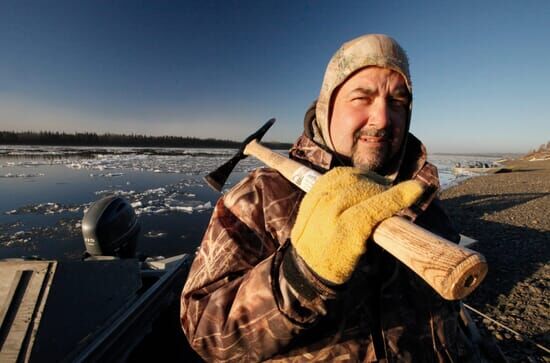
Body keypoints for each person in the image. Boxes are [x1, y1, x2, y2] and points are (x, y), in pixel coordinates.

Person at [181, 34, 493, 362]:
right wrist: (300, 276)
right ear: (327, 106)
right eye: (362, 97)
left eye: (398, 102)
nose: (383, 118)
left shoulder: (420, 195)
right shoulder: (259, 197)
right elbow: (205, 333)